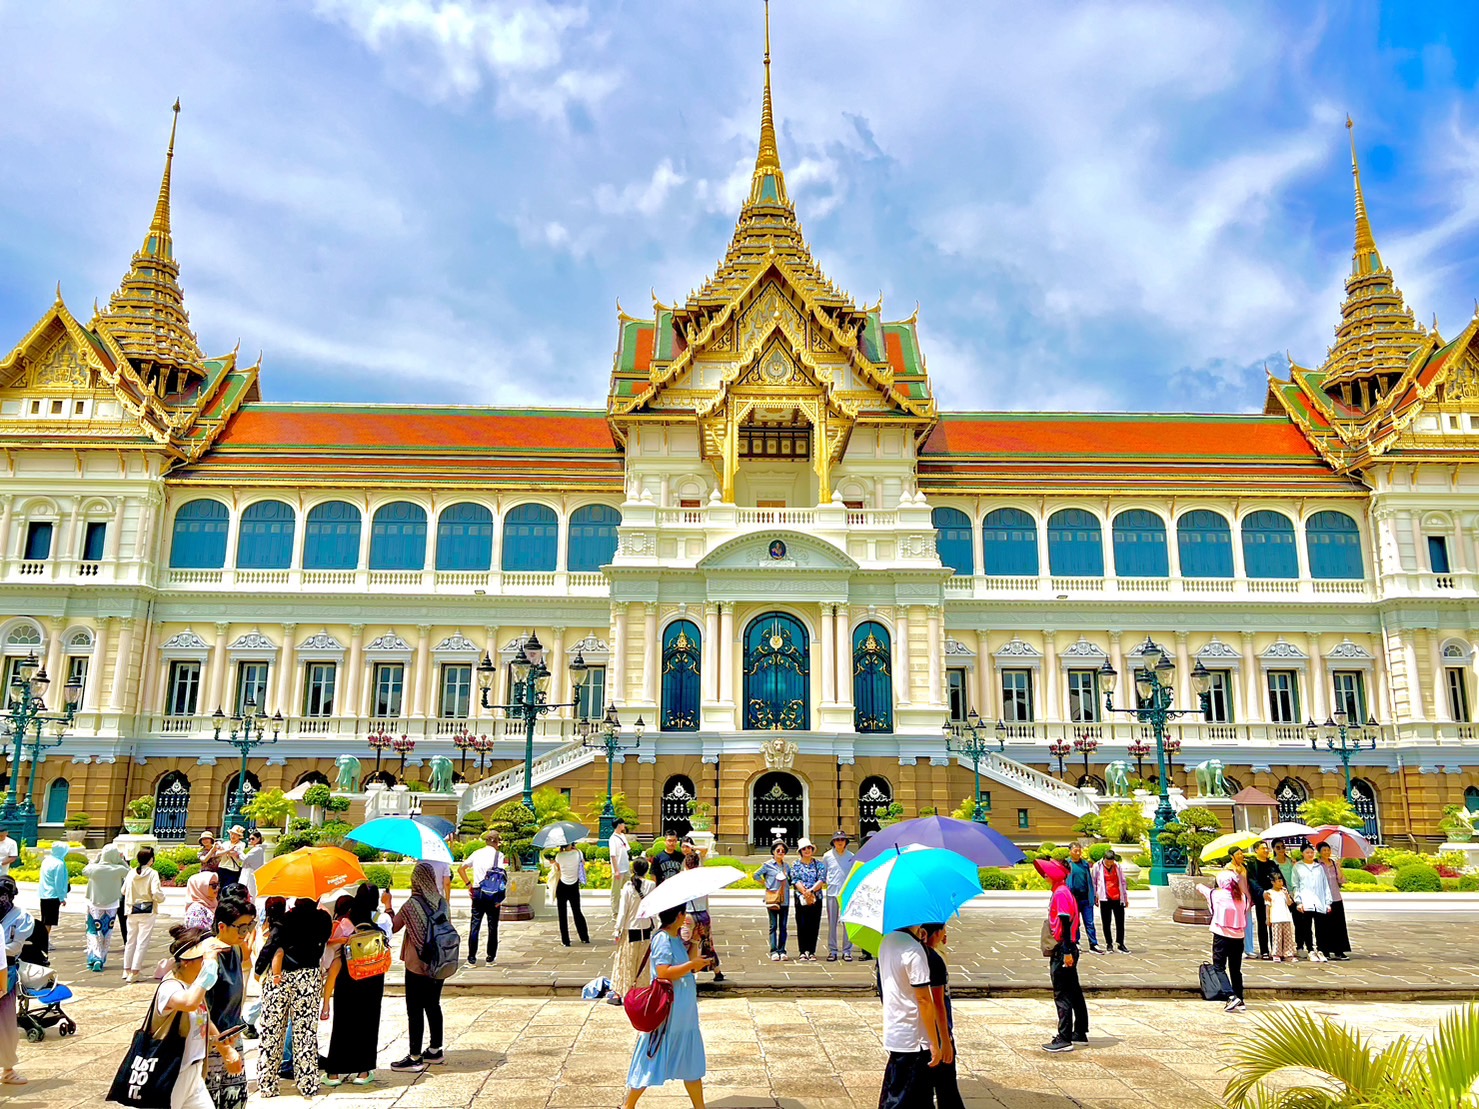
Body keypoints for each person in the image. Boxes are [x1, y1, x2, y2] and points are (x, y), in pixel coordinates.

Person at [622, 903, 712, 1109]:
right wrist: (691, 965)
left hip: (683, 1008)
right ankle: (629, 1105)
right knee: (653, 1053)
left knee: (690, 1060)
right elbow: (663, 971)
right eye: (685, 914)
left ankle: (700, 1106)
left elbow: (688, 967)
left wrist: (696, 942)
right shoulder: (662, 938)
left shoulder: (676, 938)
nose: (687, 918)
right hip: (670, 1007)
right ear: (679, 915)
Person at [154, 925, 243, 1109]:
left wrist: (224, 1047)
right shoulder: (170, 987)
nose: (214, 963)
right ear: (187, 961)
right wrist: (208, 969)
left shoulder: (194, 986)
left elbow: (204, 1020)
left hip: (193, 1073)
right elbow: (189, 1003)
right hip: (170, 1074)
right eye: (207, 958)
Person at [255, 896, 329, 1097]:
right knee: (305, 1032)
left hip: (281, 977)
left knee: (273, 1030)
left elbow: (271, 945)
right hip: (309, 977)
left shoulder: (285, 919)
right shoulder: (323, 919)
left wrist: (258, 969)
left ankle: (268, 1083)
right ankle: (308, 1083)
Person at [385, 861, 453, 1072]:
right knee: (433, 1004)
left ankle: (414, 1056)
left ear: (415, 881)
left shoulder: (411, 905)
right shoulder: (442, 902)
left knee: (414, 1008)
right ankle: (435, 1049)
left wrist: (387, 905)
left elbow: (391, 928)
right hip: (440, 961)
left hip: (417, 964)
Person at [321, 884, 387, 1087]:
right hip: (373, 978)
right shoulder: (380, 921)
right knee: (368, 1022)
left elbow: (332, 947)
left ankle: (334, 1073)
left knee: (343, 1023)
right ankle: (363, 1071)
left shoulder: (346, 922)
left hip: (348, 977)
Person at [875, 924, 946, 1107]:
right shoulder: (913, 950)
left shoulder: (887, 941)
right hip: (914, 1037)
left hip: (896, 1028)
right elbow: (924, 999)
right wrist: (934, 1043)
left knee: (899, 1092)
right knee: (906, 1098)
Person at [205, 894, 255, 1109]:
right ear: (222, 926)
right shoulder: (209, 956)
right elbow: (201, 1011)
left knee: (235, 1099)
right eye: (241, 928)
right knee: (210, 1100)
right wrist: (224, 1049)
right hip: (212, 1042)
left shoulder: (234, 948)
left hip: (232, 1036)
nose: (246, 933)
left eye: (249, 926)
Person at [1036, 858, 1086, 1052]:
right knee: (1073, 990)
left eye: (1048, 873)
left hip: (1063, 948)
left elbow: (1065, 922)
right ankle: (1079, 1031)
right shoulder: (1063, 891)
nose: (1045, 876)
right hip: (1069, 946)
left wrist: (1065, 951)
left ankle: (1064, 1037)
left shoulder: (1060, 894)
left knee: (1062, 993)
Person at [920, 923, 964, 1109]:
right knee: (946, 1084)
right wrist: (945, 1040)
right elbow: (937, 1005)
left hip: (920, 1033)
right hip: (936, 1030)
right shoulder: (934, 959)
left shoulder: (915, 955)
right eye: (944, 929)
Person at [458, 829, 508, 966]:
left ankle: (472, 956)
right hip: (492, 893)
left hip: (477, 891)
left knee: (475, 924)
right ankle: (490, 956)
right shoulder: (499, 855)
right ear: (497, 842)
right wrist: (500, 899)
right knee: (492, 926)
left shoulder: (477, 853)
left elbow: (461, 869)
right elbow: (500, 879)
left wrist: (469, 885)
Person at [0, 878, 32, 1087]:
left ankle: (8, 1069)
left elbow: (15, 947)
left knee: (6, 1025)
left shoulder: (21, 916)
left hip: (5, 973)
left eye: (3, 895)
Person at [1203, 869, 1248, 1013]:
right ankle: (1240, 999)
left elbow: (1206, 892)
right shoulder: (1242, 896)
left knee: (1219, 967)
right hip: (1238, 937)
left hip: (1222, 935)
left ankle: (1231, 994)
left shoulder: (1217, 895)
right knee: (1235, 969)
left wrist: (1198, 885)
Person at [611, 858, 654, 1005]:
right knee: (643, 964)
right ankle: (641, 992)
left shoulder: (628, 887)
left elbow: (623, 911)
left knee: (626, 963)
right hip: (646, 928)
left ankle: (621, 993)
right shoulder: (651, 885)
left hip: (631, 929)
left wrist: (617, 930)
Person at [122, 846, 166, 983]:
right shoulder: (152, 873)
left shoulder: (131, 873)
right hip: (147, 910)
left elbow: (123, 890)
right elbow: (155, 892)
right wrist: (161, 898)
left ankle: (127, 970)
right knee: (142, 942)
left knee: (130, 941)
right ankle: (135, 971)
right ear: (151, 860)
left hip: (131, 909)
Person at [83, 843, 129, 972]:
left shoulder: (94, 869)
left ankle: (94, 957)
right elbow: (129, 873)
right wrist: (121, 861)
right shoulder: (118, 869)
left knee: (92, 931)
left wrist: (96, 860)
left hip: (93, 904)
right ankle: (101, 957)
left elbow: (84, 870)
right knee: (106, 932)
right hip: (112, 904)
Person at [681, 852, 722, 982]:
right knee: (707, 944)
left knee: (685, 944)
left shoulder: (682, 878)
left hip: (688, 914)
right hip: (703, 913)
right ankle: (717, 970)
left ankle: (686, 970)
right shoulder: (704, 878)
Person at [1291, 844, 1331, 963]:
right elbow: (1295, 885)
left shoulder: (1319, 867)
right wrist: (1298, 901)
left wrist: (1328, 902)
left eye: (1311, 852)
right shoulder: (1298, 867)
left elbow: (1325, 886)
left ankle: (1321, 950)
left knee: (1321, 928)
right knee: (1306, 928)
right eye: (1307, 852)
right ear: (1302, 853)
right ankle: (1310, 950)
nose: (1310, 854)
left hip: (1319, 901)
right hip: (1305, 900)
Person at [787, 839, 825, 962]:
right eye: (804, 849)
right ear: (800, 851)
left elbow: (821, 880)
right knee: (802, 924)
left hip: (815, 898)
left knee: (814, 925)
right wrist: (804, 892)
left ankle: (812, 951)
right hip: (801, 898)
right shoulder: (796, 865)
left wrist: (811, 891)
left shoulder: (819, 865)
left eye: (809, 848)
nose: (807, 850)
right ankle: (803, 951)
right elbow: (795, 880)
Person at [820, 832, 856, 962]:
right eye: (837, 840)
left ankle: (847, 950)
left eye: (842, 840)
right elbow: (823, 874)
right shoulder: (827, 856)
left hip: (846, 894)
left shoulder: (851, 856)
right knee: (832, 923)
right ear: (833, 842)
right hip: (832, 893)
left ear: (846, 842)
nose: (840, 842)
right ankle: (832, 950)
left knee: (847, 923)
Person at [550, 841, 590, 946]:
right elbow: (583, 863)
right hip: (574, 886)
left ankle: (565, 940)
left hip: (562, 885)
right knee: (577, 911)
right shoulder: (578, 853)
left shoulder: (559, 856)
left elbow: (558, 869)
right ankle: (584, 937)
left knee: (562, 914)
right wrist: (575, 849)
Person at [1316, 843, 1351, 961]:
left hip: (1336, 898)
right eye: (1324, 850)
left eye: (1328, 850)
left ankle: (1339, 951)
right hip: (1323, 899)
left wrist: (1339, 867)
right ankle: (1324, 950)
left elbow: (1342, 880)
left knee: (1338, 925)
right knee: (1324, 925)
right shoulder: (1317, 864)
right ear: (1319, 852)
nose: (1326, 852)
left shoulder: (1334, 864)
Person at [1091, 849, 1130, 953]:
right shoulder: (1097, 866)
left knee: (1120, 922)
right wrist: (1095, 896)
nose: (1109, 864)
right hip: (1105, 898)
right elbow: (1094, 882)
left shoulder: (1117, 866)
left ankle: (1120, 943)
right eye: (1108, 862)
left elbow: (1123, 882)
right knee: (1106, 922)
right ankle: (1109, 943)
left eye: (1111, 862)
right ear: (1104, 859)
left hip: (1117, 897)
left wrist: (1125, 897)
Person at [1065, 843, 1102, 953]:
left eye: (1079, 851)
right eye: (1075, 851)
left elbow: (1089, 880)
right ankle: (1076, 942)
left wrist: (1094, 895)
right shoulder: (1067, 864)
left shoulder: (1085, 864)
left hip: (1086, 897)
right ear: (1070, 852)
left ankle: (1093, 944)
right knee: (1075, 922)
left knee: (1090, 922)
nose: (1077, 853)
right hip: (1073, 898)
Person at [757, 841, 790, 962]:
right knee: (773, 925)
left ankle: (782, 950)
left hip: (784, 898)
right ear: (773, 852)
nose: (781, 853)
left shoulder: (786, 866)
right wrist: (766, 884)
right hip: (772, 898)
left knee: (783, 926)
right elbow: (756, 875)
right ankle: (773, 950)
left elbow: (790, 880)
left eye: (783, 851)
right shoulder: (767, 865)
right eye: (778, 851)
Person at [1248, 842, 1281, 961]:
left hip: (1274, 897)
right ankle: (1264, 950)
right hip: (1261, 897)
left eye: (1267, 848)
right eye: (1263, 848)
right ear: (1256, 850)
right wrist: (1262, 892)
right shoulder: (1252, 865)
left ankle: (1276, 949)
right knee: (1262, 923)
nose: (1266, 850)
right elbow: (1253, 881)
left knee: (1275, 923)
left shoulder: (1272, 864)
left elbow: (1278, 877)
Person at [38, 842, 70, 931]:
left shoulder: (46, 860)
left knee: (44, 919)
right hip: (53, 895)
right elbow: (58, 882)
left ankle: (43, 940)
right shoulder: (59, 864)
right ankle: (43, 941)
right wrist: (61, 898)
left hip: (44, 894)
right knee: (49, 922)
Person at [1266, 873, 1296, 962]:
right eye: (1278, 881)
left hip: (1286, 917)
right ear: (1273, 882)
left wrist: (1287, 894)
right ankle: (1276, 954)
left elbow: (1289, 903)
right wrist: (1268, 918)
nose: (1281, 883)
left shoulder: (1283, 892)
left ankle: (1288, 953)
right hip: (1276, 918)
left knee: (1288, 937)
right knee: (1277, 937)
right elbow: (1267, 906)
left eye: (1281, 880)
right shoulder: (1269, 893)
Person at [608, 820, 634, 910]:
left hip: (626, 868)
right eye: (623, 823)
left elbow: (627, 850)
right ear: (619, 825)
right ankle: (615, 912)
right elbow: (613, 855)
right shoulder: (613, 839)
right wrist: (616, 871)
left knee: (632, 888)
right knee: (616, 892)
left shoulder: (622, 836)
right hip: (618, 869)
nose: (624, 825)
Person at [240, 831, 266, 902]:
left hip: (250, 871)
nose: (251, 840)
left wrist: (239, 851)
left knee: (250, 890)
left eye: (253, 839)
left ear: (258, 839)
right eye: (249, 839)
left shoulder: (258, 849)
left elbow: (245, 859)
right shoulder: (256, 849)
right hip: (249, 871)